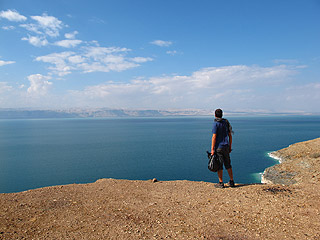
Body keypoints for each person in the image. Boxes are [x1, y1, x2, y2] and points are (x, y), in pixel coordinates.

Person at [211, 109, 235, 188]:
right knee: (228, 164)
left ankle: (221, 183)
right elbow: (230, 135)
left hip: (219, 147)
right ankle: (231, 181)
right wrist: (230, 146)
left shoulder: (216, 124)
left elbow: (214, 137)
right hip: (226, 146)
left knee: (219, 165)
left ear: (215, 115)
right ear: (222, 114)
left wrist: (212, 149)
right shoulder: (226, 122)